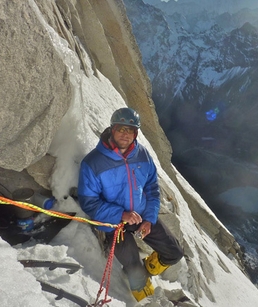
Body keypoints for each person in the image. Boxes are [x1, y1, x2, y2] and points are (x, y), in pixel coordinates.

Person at [77, 107, 184, 302]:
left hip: (141, 216)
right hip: (113, 224)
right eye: (121, 129)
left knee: (174, 252)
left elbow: (152, 187)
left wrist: (149, 219)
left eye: (131, 130)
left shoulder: (142, 155)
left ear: (136, 133)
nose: (125, 134)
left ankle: (149, 268)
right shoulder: (93, 163)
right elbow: (89, 202)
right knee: (135, 272)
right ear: (112, 129)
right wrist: (121, 215)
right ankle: (147, 300)